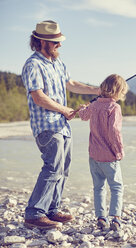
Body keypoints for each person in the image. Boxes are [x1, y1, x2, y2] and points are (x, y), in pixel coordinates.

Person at [21, 20, 100, 230]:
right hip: (46, 125)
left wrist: (97, 90)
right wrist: (64, 110)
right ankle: (34, 213)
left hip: (62, 126)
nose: (59, 45)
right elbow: (38, 97)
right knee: (52, 167)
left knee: (63, 169)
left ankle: (52, 210)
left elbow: (72, 84)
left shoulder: (58, 63)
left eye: (59, 41)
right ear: (41, 42)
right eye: (55, 42)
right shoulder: (33, 64)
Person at [78, 74, 128, 230]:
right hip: (109, 156)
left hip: (93, 155)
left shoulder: (94, 106)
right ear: (118, 92)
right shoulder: (114, 107)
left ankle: (101, 217)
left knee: (98, 187)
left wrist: (82, 109)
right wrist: (119, 151)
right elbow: (114, 131)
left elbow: (83, 116)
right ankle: (115, 219)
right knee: (116, 187)